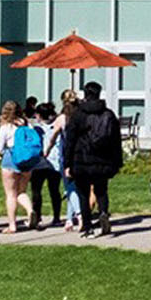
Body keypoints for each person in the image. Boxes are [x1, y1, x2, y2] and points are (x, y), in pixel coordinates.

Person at [65, 81, 124, 237]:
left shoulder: (78, 115)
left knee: (83, 194)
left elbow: (70, 141)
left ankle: (87, 227)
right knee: (101, 190)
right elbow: (116, 140)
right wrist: (117, 162)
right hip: (103, 159)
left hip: (81, 159)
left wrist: (67, 163)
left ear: (85, 94)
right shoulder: (108, 114)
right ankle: (103, 212)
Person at [0, 101, 34, 233]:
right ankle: (30, 210)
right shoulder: (28, 125)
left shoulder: (6, 127)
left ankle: (12, 225)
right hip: (27, 160)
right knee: (22, 191)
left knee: (11, 194)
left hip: (11, 157)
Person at [28, 101, 63, 229]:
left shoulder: (36, 128)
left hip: (39, 163)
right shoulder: (58, 124)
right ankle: (57, 217)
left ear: (38, 115)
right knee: (54, 191)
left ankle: (37, 216)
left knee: (36, 191)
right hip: (55, 162)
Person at [55, 89, 82, 230]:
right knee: (74, 188)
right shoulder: (81, 115)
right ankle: (69, 219)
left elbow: (54, 134)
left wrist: (47, 149)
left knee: (70, 187)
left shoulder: (62, 118)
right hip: (81, 154)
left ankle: (79, 214)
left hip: (66, 154)